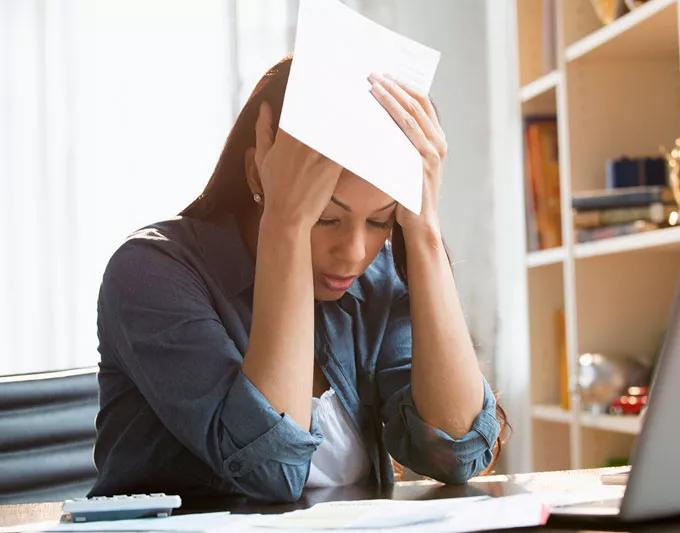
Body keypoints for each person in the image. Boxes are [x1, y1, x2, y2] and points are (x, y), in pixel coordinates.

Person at [88, 56, 506, 503]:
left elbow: (457, 454)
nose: (354, 253)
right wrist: (285, 222)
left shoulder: (378, 280)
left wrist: (422, 232)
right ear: (257, 173)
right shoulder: (149, 273)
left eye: (381, 221)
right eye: (326, 218)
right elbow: (273, 470)